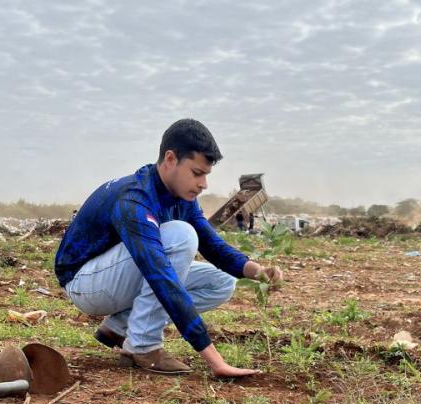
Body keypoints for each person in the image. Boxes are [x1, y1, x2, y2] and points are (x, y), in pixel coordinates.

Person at [54, 119, 282, 376]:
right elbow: (160, 275)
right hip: (86, 284)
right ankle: (143, 346)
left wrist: (256, 271)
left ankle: (118, 327)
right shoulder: (135, 199)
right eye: (197, 173)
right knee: (180, 236)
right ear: (171, 159)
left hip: (119, 275)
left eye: (206, 175)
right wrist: (215, 361)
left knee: (221, 283)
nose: (204, 184)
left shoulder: (180, 197)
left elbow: (212, 244)